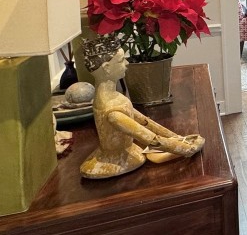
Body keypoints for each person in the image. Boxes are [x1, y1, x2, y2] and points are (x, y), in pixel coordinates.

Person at [81, 35, 204, 179]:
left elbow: (145, 121)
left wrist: (178, 138)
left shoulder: (115, 97)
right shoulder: (111, 111)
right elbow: (151, 140)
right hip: (115, 162)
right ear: (106, 68)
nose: (127, 63)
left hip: (130, 152)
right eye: (121, 60)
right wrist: (187, 148)